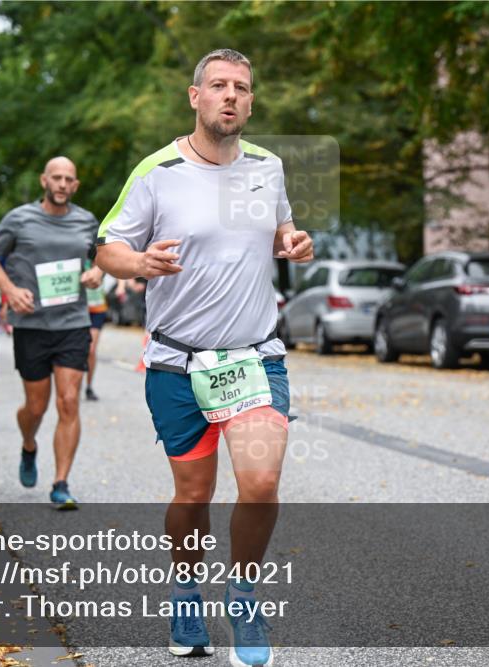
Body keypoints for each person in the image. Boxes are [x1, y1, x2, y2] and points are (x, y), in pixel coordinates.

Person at [96, 49, 313, 666]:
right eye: (217, 85)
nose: (230, 96)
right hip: (177, 363)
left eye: (240, 88)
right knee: (192, 498)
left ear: (250, 101)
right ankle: (186, 589)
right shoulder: (158, 170)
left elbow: (280, 233)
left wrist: (295, 243)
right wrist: (139, 263)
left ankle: (241, 593)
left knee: (262, 483)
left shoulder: (267, 168)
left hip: (254, 356)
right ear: (195, 97)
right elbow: (108, 247)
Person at [0, 157, 103, 509]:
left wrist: (98, 273)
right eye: (57, 178)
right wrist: (10, 290)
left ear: (75, 185)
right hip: (32, 324)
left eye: (69, 179)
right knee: (36, 407)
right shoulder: (19, 219)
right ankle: (29, 445)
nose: (63, 184)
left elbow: (104, 256)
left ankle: (61, 482)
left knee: (68, 401)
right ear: (44, 181)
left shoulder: (86, 221)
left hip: (73, 322)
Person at [84, 258, 107, 400]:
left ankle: (88, 386)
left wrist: (121, 287)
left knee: (91, 350)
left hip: (97, 308)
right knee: (80, 350)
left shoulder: (102, 255)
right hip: (80, 309)